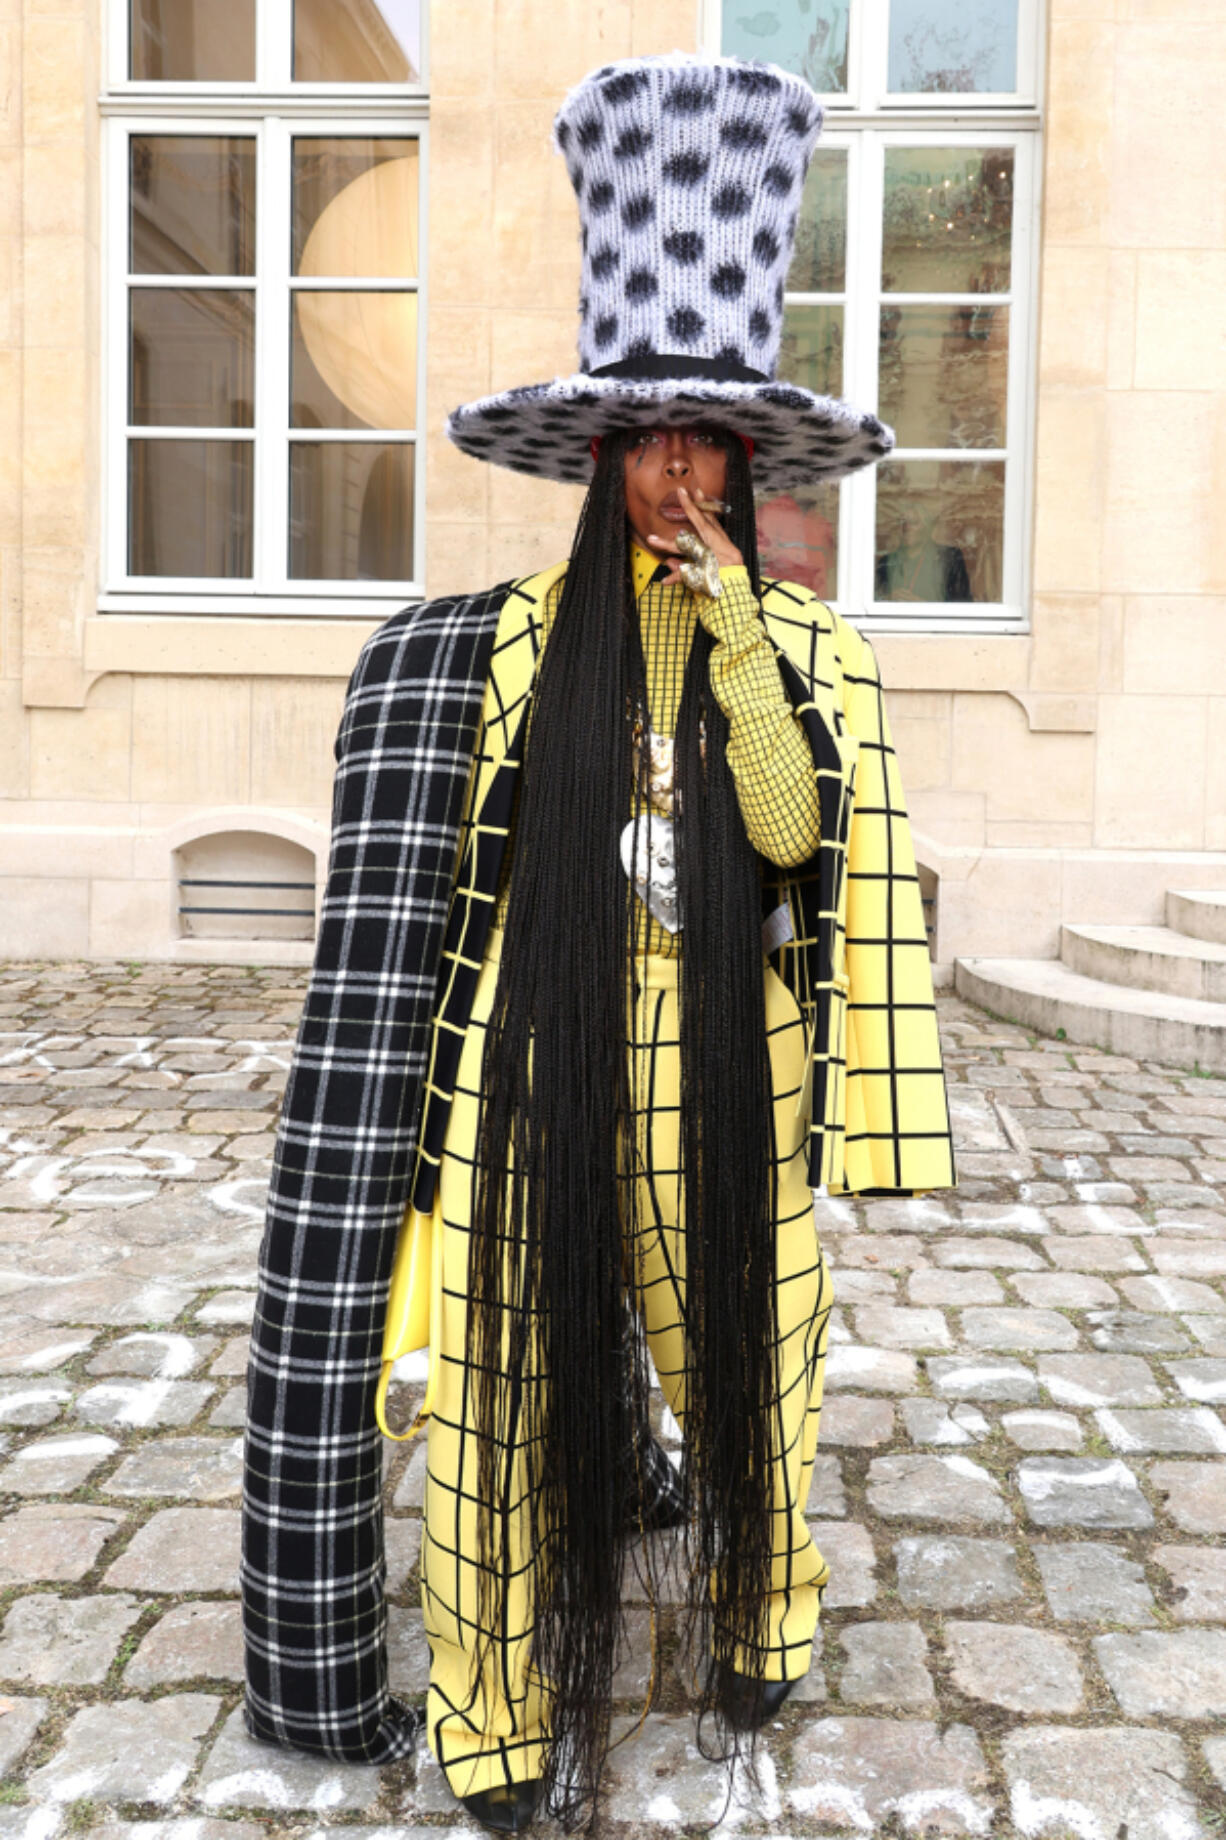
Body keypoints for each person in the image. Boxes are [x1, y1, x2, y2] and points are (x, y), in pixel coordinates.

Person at [240, 49, 956, 1840]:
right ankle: (492, 1715)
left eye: (698, 436)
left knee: (754, 1360)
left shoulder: (817, 662)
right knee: (492, 1379)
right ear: (598, 455)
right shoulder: (497, 651)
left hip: (736, 1069)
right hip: (531, 1066)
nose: (668, 472)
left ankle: (759, 1608)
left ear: (741, 452)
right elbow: (440, 886)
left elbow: (796, 845)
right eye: (640, 437)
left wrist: (735, 641)